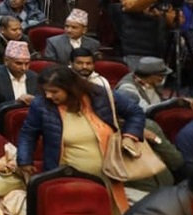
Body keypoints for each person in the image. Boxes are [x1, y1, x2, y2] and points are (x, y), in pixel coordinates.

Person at [17, 66, 146, 180]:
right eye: (45, 91)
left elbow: (135, 112)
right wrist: (25, 160)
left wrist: (130, 135)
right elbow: (28, 134)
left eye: (54, 91)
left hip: (110, 175)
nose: (49, 96)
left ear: (70, 88)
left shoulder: (100, 95)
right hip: (66, 179)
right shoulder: (41, 105)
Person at [0, 40, 38, 127]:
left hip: (32, 124)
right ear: (6, 60)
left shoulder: (34, 77)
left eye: (27, 64)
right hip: (2, 125)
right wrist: (16, 103)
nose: (24, 68)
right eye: (18, 63)